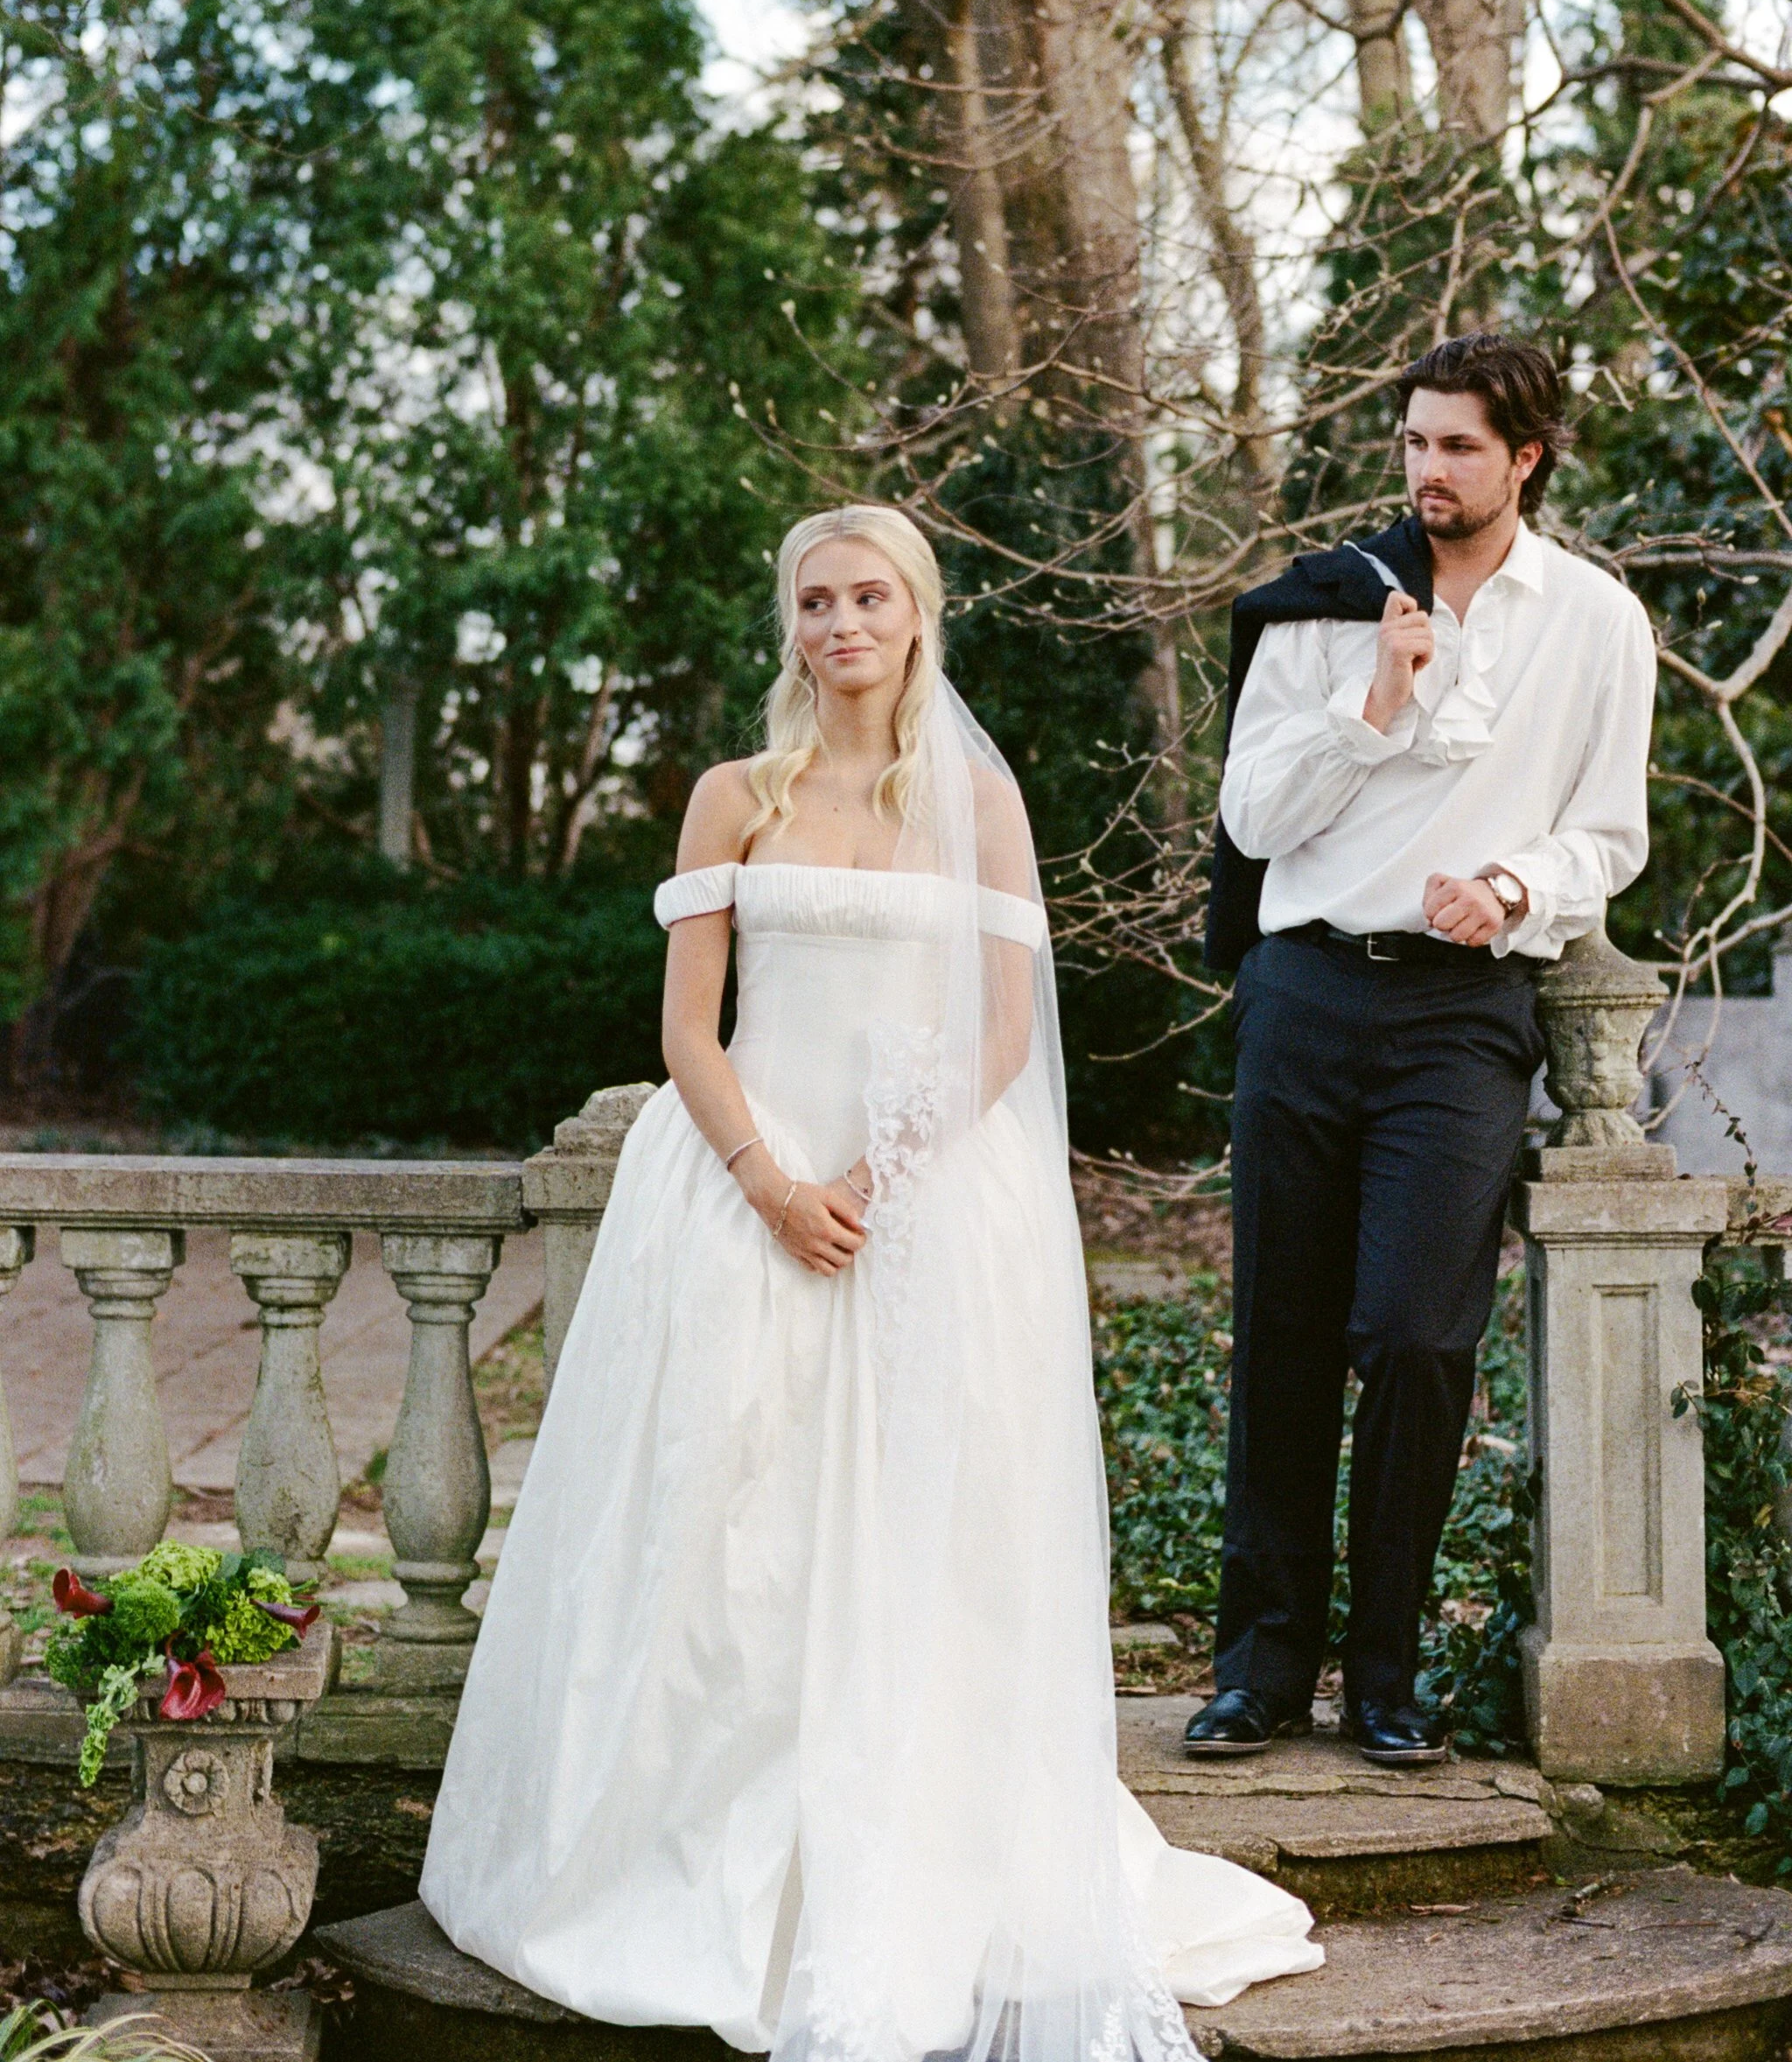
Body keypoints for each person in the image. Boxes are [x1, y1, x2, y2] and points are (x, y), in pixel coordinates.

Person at [420, 502, 1322, 2062]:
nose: (843, 624)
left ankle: (919, 1847)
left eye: (871, 598)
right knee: (726, 1527)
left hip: (919, 1209)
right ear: (795, 625)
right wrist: (773, 1183)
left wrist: (877, 1184)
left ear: (920, 615)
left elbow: (999, 1030)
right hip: (735, 1195)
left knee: (923, 1538)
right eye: (817, 601)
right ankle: (684, 1861)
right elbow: (689, 1032)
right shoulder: (733, 797)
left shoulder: (977, 796)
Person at [1185, 333, 1656, 1768]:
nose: (1429, 471)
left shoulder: (1596, 622)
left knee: (1416, 1338)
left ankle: (1384, 1673)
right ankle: (1261, 1668)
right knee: (1280, 1331)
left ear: (1527, 458)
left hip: (1463, 1012)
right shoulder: (1324, 610)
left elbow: (1611, 834)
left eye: (1459, 446)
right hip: (1306, 993)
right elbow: (1256, 825)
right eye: (1414, 443)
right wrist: (1373, 705)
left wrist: (1514, 886)